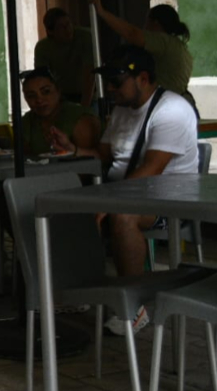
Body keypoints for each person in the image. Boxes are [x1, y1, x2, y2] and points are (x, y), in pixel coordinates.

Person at [49, 45, 199, 332]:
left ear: (143, 78)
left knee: (122, 216)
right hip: (125, 192)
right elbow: (104, 155)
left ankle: (135, 307)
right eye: (108, 82)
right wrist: (74, 149)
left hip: (169, 198)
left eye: (116, 82)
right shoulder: (121, 110)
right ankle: (80, 291)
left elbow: (151, 171)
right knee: (60, 208)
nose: (110, 89)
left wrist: (110, 200)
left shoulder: (172, 110)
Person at [88, 0, 195, 107]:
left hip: (167, 106)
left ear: (155, 23)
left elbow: (132, 33)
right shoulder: (180, 48)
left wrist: (102, 13)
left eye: (147, 22)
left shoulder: (164, 42)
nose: (144, 28)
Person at [20, 68, 100, 157]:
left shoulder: (80, 119)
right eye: (31, 96)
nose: (39, 100)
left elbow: (92, 163)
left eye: (46, 92)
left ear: (58, 91)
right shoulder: (27, 121)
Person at [34, 8, 94, 105]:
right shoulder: (43, 47)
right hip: (60, 97)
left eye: (69, 24)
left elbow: (90, 73)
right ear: (50, 31)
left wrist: (85, 105)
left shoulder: (85, 37)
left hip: (89, 94)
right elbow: (42, 77)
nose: (68, 29)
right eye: (62, 27)